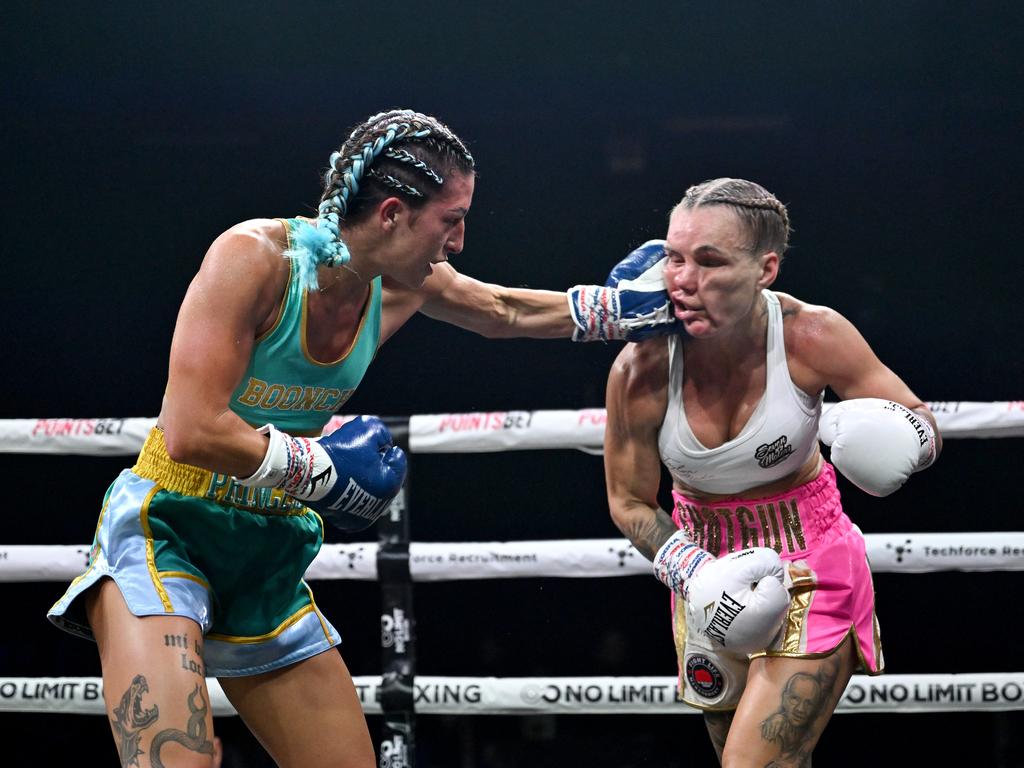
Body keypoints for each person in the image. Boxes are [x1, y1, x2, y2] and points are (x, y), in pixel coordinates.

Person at [46, 108, 677, 768]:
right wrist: (317, 469)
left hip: (266, 547)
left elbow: (503, 310)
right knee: (176, 762)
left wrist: (625, 310)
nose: (459, 241)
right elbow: (190, 428)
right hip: (169, 526)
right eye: (450, 219)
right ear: (393, 215)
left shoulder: (402, 286)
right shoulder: (255, 259)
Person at [603, 178, 941, 766]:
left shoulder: (812, 334)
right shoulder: (642, 367)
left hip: (813, 558)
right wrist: (693, 570)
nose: (684, 280)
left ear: (766, 269)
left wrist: (904, 441)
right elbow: (629, 501)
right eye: (675, 258)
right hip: (704, 571)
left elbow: (922, 420)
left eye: (710, 261)